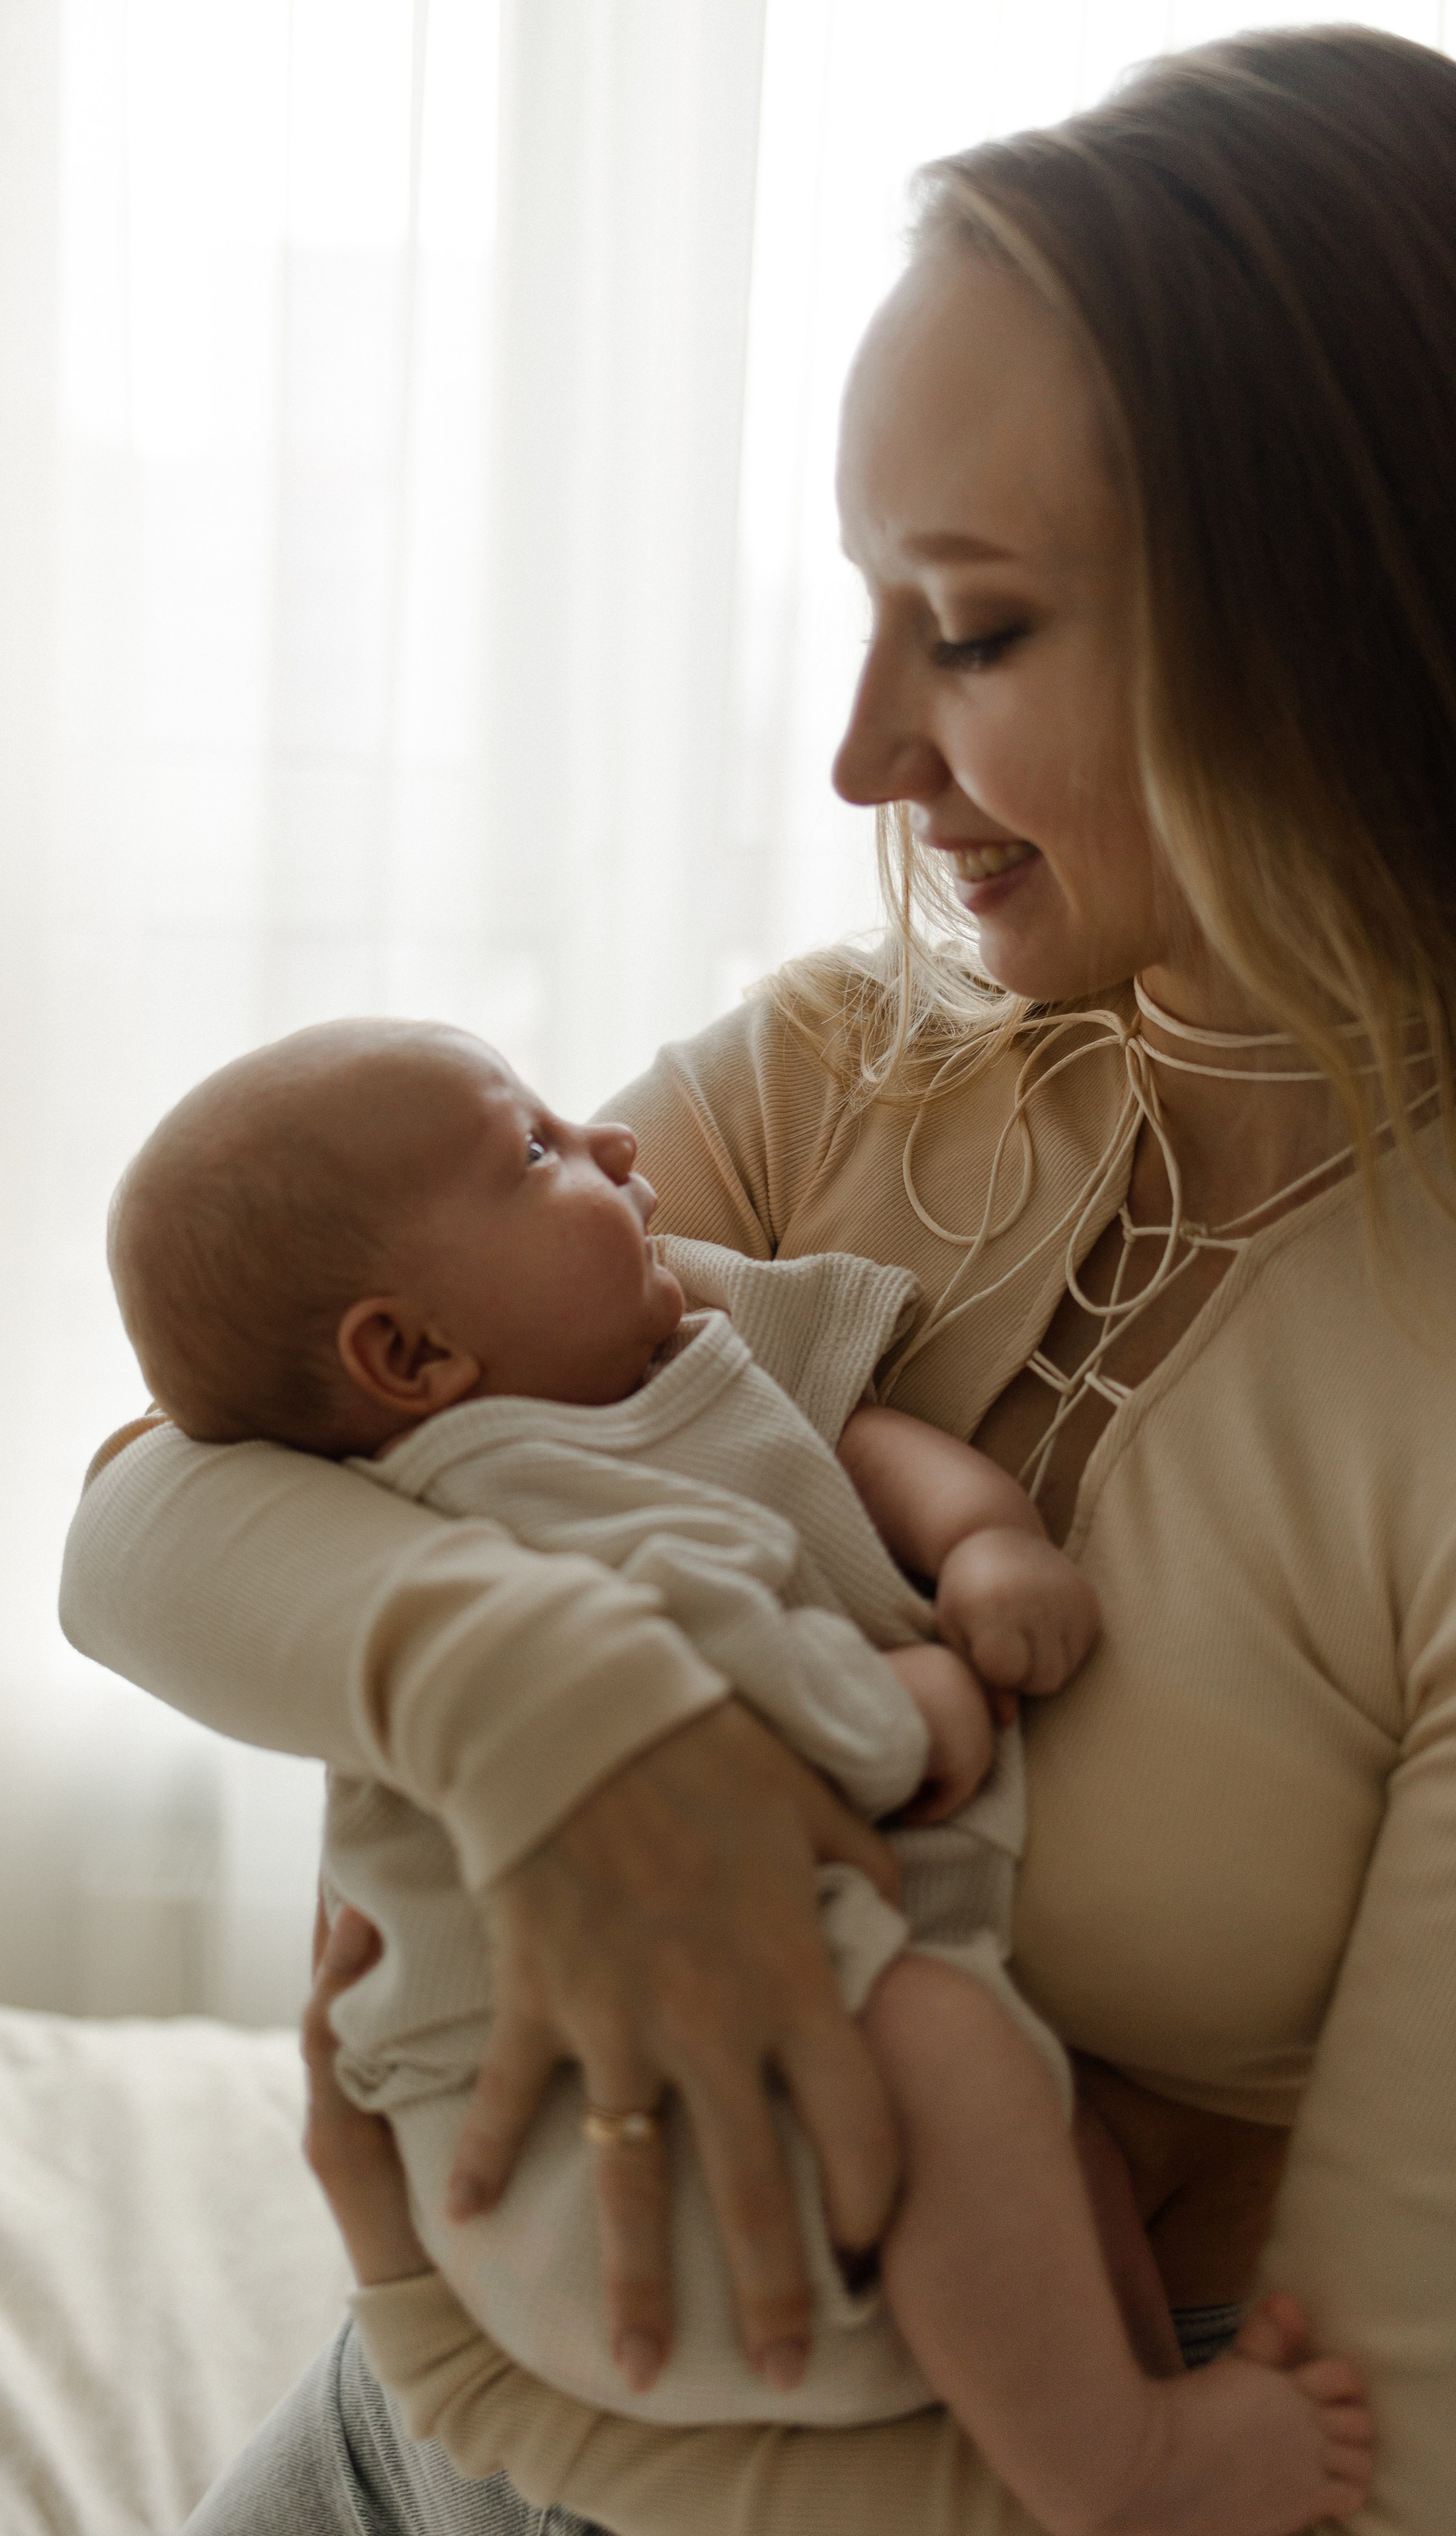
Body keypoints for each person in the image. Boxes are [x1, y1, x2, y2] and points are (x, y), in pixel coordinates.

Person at [61, 22, 1456, 2533]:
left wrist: (465, 2364)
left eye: (977, 628)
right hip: (383, 2446)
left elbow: (1358, 2472)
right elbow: (156, 1506)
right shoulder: (841, 1072)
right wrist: (551, 1718)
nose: (858, 755)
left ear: (1343, 632)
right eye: (865, 605)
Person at [103, 1021, 1365, 2524]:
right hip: (574, 2173)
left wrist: (980, 1537)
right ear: (413, 1356)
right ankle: (1124, 2461)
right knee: (952, 2054)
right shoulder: (516, 1482)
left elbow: (838, 1434)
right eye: (536, 1149)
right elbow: (137, 1507)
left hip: (686, 2347)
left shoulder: (658, 1339)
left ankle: (1139, 2427)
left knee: (1038, 2122)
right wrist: (915, 1703)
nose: (609, 1144)